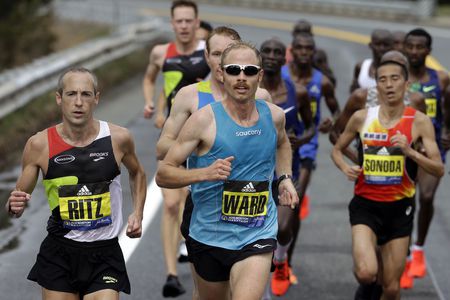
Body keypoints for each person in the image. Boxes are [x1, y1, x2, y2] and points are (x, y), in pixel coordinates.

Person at [156, 41, 299, 300]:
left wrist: (285, 178)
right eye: (234, 70)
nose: (241, 77)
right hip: (209, 235)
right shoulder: (203, 120)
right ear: (221, 74)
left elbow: (282, 143)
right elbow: (164, 173)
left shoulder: (275, 116)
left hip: (257, 231)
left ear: (260, 76)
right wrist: (202, 174)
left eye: (249, 70)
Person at [5, 67, 147, 299]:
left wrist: (138, 213)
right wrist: (14, 205)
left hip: (104, 252)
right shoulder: (39, 145)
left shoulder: (118, 138)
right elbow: (17, 202)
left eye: (86, 94)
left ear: (96, 99)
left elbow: (138, 173)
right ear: (59, 99)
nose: (78, 102)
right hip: (60, 253)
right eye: (71, 94)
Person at [331, 59, 444, 300]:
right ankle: (367, 286)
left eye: (395, 79)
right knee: (366, 272)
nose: (389, 85)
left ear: (406, 84)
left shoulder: (419, 122)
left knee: (391, 288)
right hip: (365, 206)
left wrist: (411, 152)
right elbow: (337, 149)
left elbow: (438, 169)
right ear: (376, 86)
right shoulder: (362, 117)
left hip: (399, 210)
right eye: (382, 80)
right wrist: (345, 167)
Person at [142, 1, 210, 296]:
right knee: (170, 204)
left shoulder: (210, 52)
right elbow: (151, 79)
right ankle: (171, 274)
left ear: (197, 23)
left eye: (188, 21)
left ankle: (200, 263)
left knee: (197, 203)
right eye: (178, 21)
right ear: (172, 24)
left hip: (206, 139)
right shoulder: (160, 52)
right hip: (173, 138)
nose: (183, 26)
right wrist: (153, 105)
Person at [259, 38, 314, 297]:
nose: (271, 56)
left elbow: (311, 126)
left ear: (284, 60)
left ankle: (281, 261)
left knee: (282, 227)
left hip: (287, 167)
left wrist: (299, 140)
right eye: (266, 51)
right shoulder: (249, 90)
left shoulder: (298, 92)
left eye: (277, 53)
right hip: (254, 169)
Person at [284, 32, 340, 273]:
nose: (305, 52)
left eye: (309, 48)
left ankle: (286, 261)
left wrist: (331, 124)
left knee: (293, 203)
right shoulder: (281, 75)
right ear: (293, 50)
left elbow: (338, 112)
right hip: (278, 145)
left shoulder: (322, 81)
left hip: (307, 146)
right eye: (300, 48)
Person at [401, 28, 450, 288]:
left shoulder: (441, 79)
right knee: (406, 200)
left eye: (421, 47)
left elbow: (448, 111)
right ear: (405, 48)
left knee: (427, 197)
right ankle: (405, 253)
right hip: (404, 148)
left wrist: (447, 132)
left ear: (428, 51)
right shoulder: (399, 78)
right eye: (411, 46)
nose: (415, 51)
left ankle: (418, 248)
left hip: (431, 149)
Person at [330, 50, 426, 164]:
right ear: (378, 71)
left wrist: (417, 156)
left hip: (404, 175)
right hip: (368, 175)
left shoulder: (416, 100)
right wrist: (358, 160)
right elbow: (335, 134)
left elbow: (423, 140)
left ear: (406, 74)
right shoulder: (361, 97)